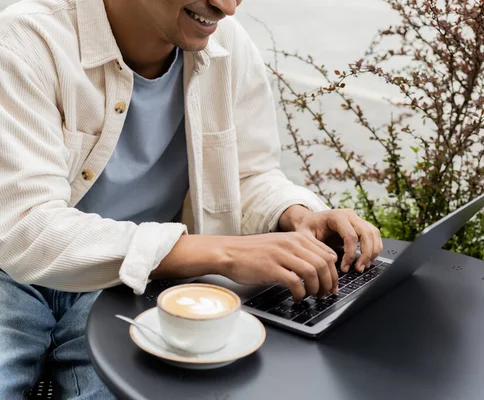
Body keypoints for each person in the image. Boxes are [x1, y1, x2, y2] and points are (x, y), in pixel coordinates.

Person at [0, 0, 383, 398]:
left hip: (133, 282)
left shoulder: (227, 47)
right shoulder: (24, 42)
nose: (227, 7)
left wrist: (296, 215)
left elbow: (249, 175)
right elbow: (24, 228)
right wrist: (223, 254)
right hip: (10, 273)